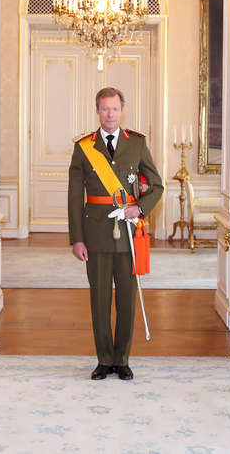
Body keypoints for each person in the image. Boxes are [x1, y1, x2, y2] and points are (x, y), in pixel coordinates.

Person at [68, 87, 164, 381]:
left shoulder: (137, 143)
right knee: (99, 301)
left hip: (128, 235)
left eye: (115, 109)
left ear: (122, 111)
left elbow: (157, 186)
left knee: (126, 301)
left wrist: (139, 208)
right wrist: (77, 238)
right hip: (95, 233)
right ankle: (104, 360)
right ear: (97, 111)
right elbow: (74, 196)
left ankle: (122, 359)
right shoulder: (83, 147)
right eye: (104, 109)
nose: (110, 114)